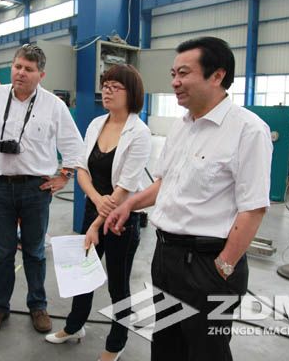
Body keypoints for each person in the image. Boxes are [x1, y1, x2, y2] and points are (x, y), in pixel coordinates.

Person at [105, 37, 272, 361]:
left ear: (217, 75)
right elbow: (165, 183)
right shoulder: (181, 126)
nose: (174, 82)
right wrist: (129, 205)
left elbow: (253, 209)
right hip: (166, 257)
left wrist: (223, 268)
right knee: (166, 346)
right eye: (173, 74)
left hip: (208, 264)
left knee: (206, 352)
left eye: (183, 73)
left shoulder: (248, 130)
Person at [0, 44, 84, 335]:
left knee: (34, 252)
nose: (21, 73)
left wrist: (64, 176)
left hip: (36, 189)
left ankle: (38, 306)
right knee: (2, 253)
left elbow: (73, 144)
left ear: (41, 75)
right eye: (17, 66)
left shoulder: (54, 105)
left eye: (29, 69)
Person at [45, 64, 151, 361]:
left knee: (119, 285)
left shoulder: (139, 133)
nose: (107, 91)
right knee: (83, 276)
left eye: (115, 86)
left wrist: (98, 221)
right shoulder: (95, 124)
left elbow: (126, 186)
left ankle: (115, 344)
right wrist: (95, 200)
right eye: (105, 85)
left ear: (132, 93)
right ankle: (74, 326)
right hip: (94, 212)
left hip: (120, 221)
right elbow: (81, 168)